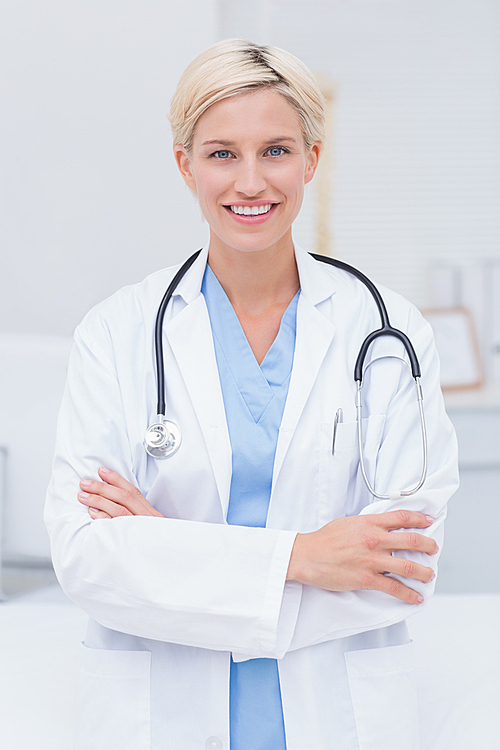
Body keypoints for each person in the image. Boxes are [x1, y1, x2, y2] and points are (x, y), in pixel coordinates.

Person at [45, 39, 458, 750]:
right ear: (185, 166)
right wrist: (302, 558)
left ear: (312, 159)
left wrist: (167, 548)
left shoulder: (389, 332)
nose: (251, 182)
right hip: (160, 718)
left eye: (275, 150)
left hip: (339, 719)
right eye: (221, 154)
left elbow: (403, 569)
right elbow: (87, 560)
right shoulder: (115, 333)